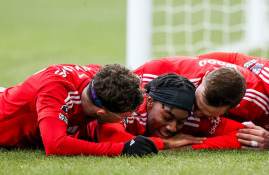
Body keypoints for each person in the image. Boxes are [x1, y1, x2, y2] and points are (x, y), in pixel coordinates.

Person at [0, 63, 159, 156]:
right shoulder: (55, 91)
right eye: (124, 116)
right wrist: (123, 149)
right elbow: (56, 146)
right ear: (102, 113)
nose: (126, 119)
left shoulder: (98, 79)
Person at [86, 73, 245, 150]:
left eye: (180, 122)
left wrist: (190, 147)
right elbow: (112, 138)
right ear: (149, 102)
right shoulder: (127, 108)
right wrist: (166, 144)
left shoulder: (191, 115)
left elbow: (241, 134)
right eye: (167, 117)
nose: (172, 128)